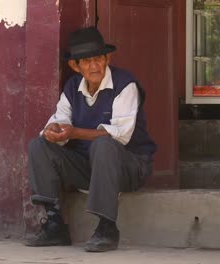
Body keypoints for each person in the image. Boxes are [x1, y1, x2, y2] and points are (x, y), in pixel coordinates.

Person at [24, 26, 157, 252]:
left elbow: (121, 135)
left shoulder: (125, 84)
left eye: (98, 59)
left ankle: (107, 227)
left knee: (104, 143)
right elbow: (60, 119)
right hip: (90, 168)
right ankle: (55, 224)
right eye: (86, 61)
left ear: (107, 58)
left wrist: (74, 132)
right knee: (39, 145)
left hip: (129, 167)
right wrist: (53, 130)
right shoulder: (72, 87)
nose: (94, 66)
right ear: (75, 66)